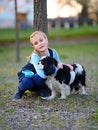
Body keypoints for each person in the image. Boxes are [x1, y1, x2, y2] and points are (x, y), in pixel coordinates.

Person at [13, 31, 73, 101]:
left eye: (41, 40)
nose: (39, 44)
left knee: (38, 79)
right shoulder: (35, 56)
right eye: (36, 43)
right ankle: (19, 92)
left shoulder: (53, 52)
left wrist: (66, 65)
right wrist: (55, 69)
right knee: (30, 80)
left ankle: (39, 90)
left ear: (46, 40)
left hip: (38, 80)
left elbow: (58, 63)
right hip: (29, 76)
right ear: (34, 47)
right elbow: (42, 74)